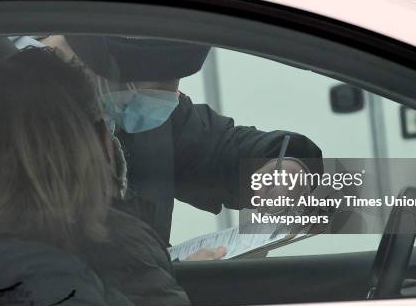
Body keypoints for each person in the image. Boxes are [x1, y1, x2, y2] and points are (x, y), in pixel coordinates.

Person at [0, 47, 190, 306]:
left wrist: (247, 224)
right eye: (162, 82)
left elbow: (241, 152)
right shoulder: (54, 280)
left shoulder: (174, 119)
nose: (170, 95)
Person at [51, 35, 324, 246]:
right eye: (160, 80)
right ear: (104, 66)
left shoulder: (152, 118)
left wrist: (287, 164)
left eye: (176, 79)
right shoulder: (28, 127)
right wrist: (170, 272)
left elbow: (218, 151)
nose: (171, 94)